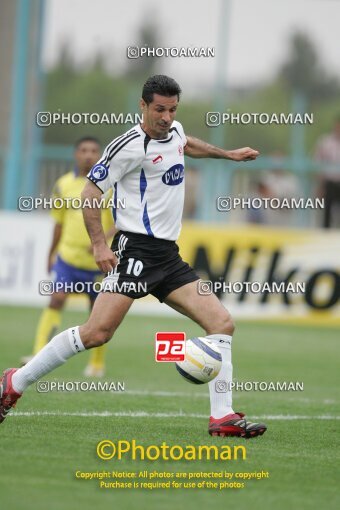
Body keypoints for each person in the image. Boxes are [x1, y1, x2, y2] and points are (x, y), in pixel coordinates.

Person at [1, 75, 266, 438]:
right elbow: (91, 194)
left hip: (168, 258)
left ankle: (222, 418)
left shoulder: (174, 132)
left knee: (221, 324)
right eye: (159, 109)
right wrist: (99, 244)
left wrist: (227, 155)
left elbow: (185, 144)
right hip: (135, 252)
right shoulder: (127, 146)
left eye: (172, 109)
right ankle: (15, 382)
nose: (166, 117)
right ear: (142, 106)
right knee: (97, 333)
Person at [20, 137, 116, 377]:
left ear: (100, 155)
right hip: (67, 260)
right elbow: (59, 223)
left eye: (93, 151)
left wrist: (101, 241)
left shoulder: (110, 186)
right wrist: (50, 253)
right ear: (75, 154)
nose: (88, 155)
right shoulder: (63, 184)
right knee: (56, 299)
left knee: (99, 317)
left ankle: (96, 364)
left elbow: (121, 223)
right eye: (83, 150)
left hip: (99, 264)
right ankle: (38, 352)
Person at [314, 115, 340, 228]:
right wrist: (320, 186)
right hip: (330, 182)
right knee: (327, 213)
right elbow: (318, 163)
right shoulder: (325, 142)